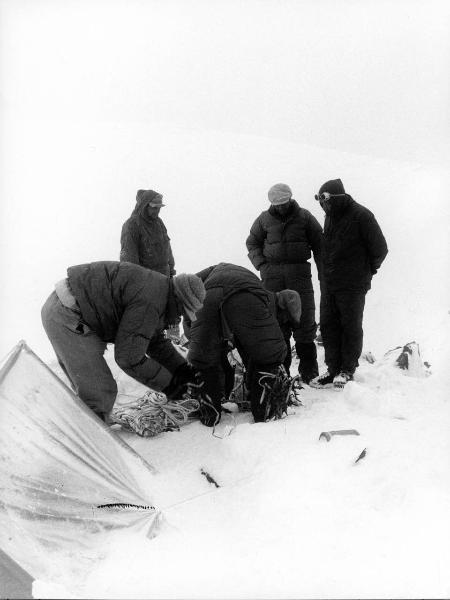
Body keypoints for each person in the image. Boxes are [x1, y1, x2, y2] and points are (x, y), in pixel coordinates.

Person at [41, 261, 206, 422]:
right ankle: (93, 442)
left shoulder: (159, 292)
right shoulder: (150, 299)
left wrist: (182, 369)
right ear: (178, 299)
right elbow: (129, 358)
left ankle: (91, 427)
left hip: (67, 308)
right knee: (98, 392)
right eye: (182, 311)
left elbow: (153, 341)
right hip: (67, 313)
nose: (179, 318)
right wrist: (171, 386)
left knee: (92, 391)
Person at [185, 263, 302, 425]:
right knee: (270, 354)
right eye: (285, 320)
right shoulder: (262, 298)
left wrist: (190, 322)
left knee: (204, 360)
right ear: (282, 306)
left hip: (205, 298)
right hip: (241, 295)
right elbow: (266, 351)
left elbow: (191, 283)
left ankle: (209, 413)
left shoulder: (222, 270)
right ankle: (265, 412)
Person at [310, 178, 388, 389]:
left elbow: (380, 249)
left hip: (353, 285)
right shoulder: (330, 217)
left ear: (337, 198)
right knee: (328, 326)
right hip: (330, 284)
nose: (323, 205)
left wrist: (366, 271)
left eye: (326, 200)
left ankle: (347, 370)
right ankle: (333, 369)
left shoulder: (362, 215)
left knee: (350, 326)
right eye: (321, 201)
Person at [246, 183, 322, 384]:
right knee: (277, 325)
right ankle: (282, 374)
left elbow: (320, 244)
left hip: (300, 275)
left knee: (305, 322)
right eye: (276, 204)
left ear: (290, 199)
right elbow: (252, 243)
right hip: (272, 278)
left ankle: (309, 374)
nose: (280, 207)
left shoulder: (305, 217)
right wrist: (261, 265)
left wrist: (324, 270)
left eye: (283, 203)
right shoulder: (263, 219)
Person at [120, 189, 175, 277]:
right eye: (154, 207)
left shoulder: (159, 223)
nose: (157, 211)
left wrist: (171, 270)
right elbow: (129, 260)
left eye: (159, 208)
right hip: (146, 282)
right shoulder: (131, 226)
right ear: (144, 206)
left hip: (165, 279)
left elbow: (167, 248)